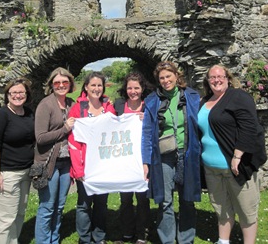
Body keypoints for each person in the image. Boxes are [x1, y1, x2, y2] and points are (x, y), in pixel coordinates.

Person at [198, 64, 267, 244]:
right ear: (207, 81)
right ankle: (223, 240)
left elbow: (249, 127)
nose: (216, 80)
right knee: (221, 207)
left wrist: (237, 156)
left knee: (246, 210)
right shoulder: (204, 101)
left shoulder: (238, 97)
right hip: (212, 168)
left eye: (220, 76)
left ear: (228, 78)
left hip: (236, 167)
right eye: (212, 77)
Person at [142, 61, 201, 244]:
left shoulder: (192, 97)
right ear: (158, 81)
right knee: (165, 200)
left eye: (169, 76)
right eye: (162, 78)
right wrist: (146, 162)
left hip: (187, 153)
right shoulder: (152, 100)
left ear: (176, 76)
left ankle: (186, 239)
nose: (166, 80)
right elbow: (146, 133)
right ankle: (167, 239)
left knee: (187, 199)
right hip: (163, 156)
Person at [68, 71, 116, 244]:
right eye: (93, 85)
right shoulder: (78, 108)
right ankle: (85, 238)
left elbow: (116, 132)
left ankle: (100, 237)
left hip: (103, 166)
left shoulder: (108, 107)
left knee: (102, 203)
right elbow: (73, 142)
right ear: (86, 87)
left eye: (99, 85)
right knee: (84, 205)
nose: (96, 88)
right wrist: (78, 169)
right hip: (84, 165)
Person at [0, 77, 34, 244]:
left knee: (19, 213)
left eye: (21, 92)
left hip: (25, 172)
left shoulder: (28, 113)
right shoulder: (1, 116)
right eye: (13, 92)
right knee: (5, 220)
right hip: (6, 174)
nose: (17, 95)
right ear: (7, 95)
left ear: (27, 94)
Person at [34, 67, 76, 244]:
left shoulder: (71, 103)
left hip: (67, 163)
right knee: (47, 207)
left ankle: (55, 239)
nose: (61, 85)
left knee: (59, 207)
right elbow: (41, 137)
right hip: (49, 162)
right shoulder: (46, 105)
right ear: (51, 85)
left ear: (70, 84)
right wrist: (64, 129)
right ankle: (44, 241)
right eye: (57, 82)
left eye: (64, 82)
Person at [114, 73, 152, 244]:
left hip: (142, 159)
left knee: (143, 200)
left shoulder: (149, 106)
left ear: (142, 89)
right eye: (130, 88)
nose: (133, 91)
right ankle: (127, 233)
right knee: (126, 199)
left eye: (136, 88)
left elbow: (158, 127)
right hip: (124, 160)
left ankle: (142, 235)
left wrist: (148, 119)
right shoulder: (119, 105)